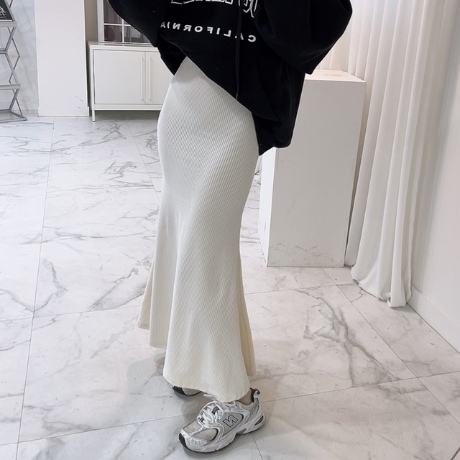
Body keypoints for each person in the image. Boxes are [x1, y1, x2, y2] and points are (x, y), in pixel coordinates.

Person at [109, 0, 352, 453]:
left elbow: (318, 27)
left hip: (237, 111)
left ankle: (239, 402)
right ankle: (194, 359)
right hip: (186, 97)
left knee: (207, 249)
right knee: (182, 235)